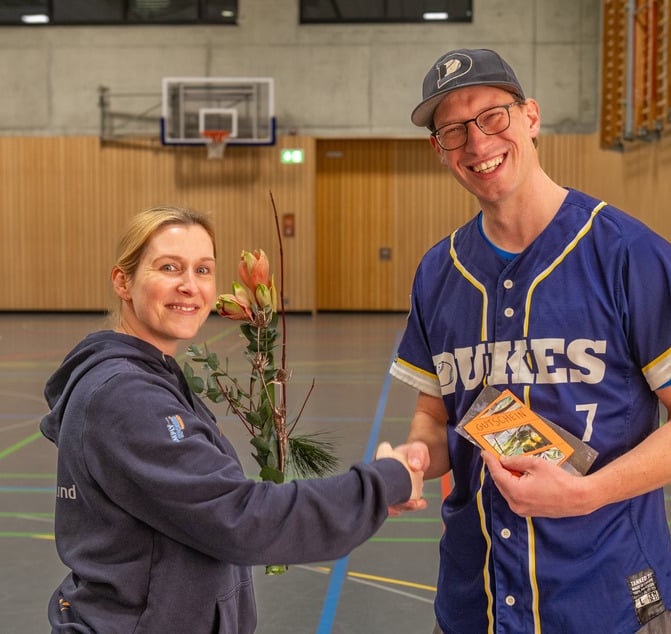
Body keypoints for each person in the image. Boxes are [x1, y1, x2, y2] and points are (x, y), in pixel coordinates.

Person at [387, 49, 671, 633]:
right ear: (439, 150)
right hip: (477, 601)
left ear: (531, 117)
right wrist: (412, 459)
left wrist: (587, 493)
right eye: (453, 130)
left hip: (607, 600)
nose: (477, 142)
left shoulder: (628, 253)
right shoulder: (438, 272)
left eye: (492, 116)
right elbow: (435, 417)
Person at [40, 205, 423, 634]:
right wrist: (383, 484)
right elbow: (239, 519)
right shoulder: (126, 396)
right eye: (169, 267)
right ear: (122, 281)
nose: (190, 286)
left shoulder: (152, 375)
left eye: (203, 270)